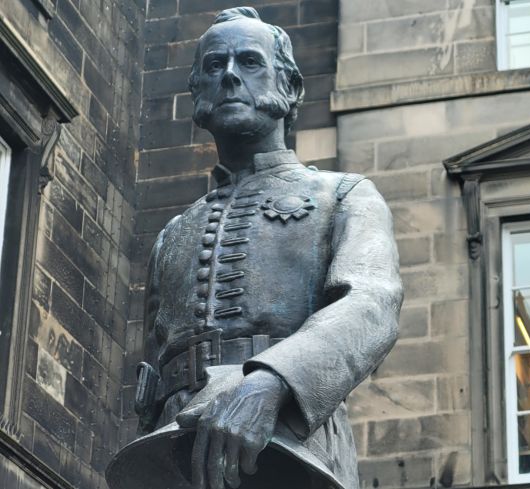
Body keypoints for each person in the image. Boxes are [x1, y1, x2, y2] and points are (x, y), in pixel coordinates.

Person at [107, 7, 402, 489]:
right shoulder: (174, 233)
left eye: (249, 62)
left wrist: (271, 382)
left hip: (291, 438)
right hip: (176, 449)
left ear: (290, 89)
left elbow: (371, 304)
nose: (228, 76)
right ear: (196, 91)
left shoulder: (343, 195)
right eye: (214, 65)